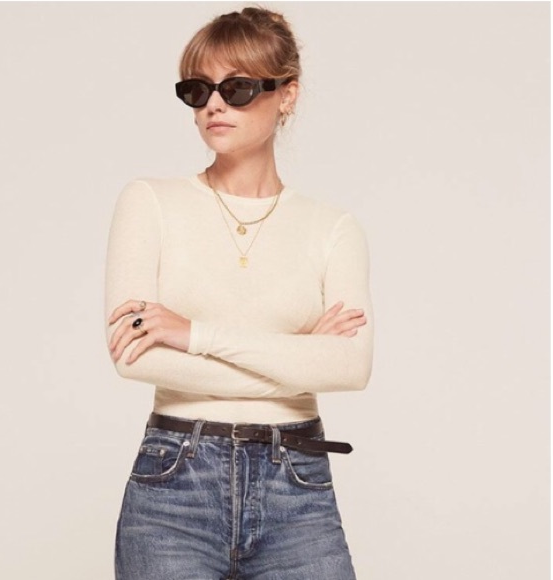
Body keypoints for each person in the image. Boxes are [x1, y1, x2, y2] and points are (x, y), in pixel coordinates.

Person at [105, 6, 373, 580]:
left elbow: (351, 367)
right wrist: (300, 358)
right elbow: (134, 357)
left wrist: (193, 335)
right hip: (174, 487)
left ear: (287, 94)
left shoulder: (332, 228)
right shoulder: (150, 202)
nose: (213, 105)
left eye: (237, 88)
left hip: (297, 487)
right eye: (197, 89)